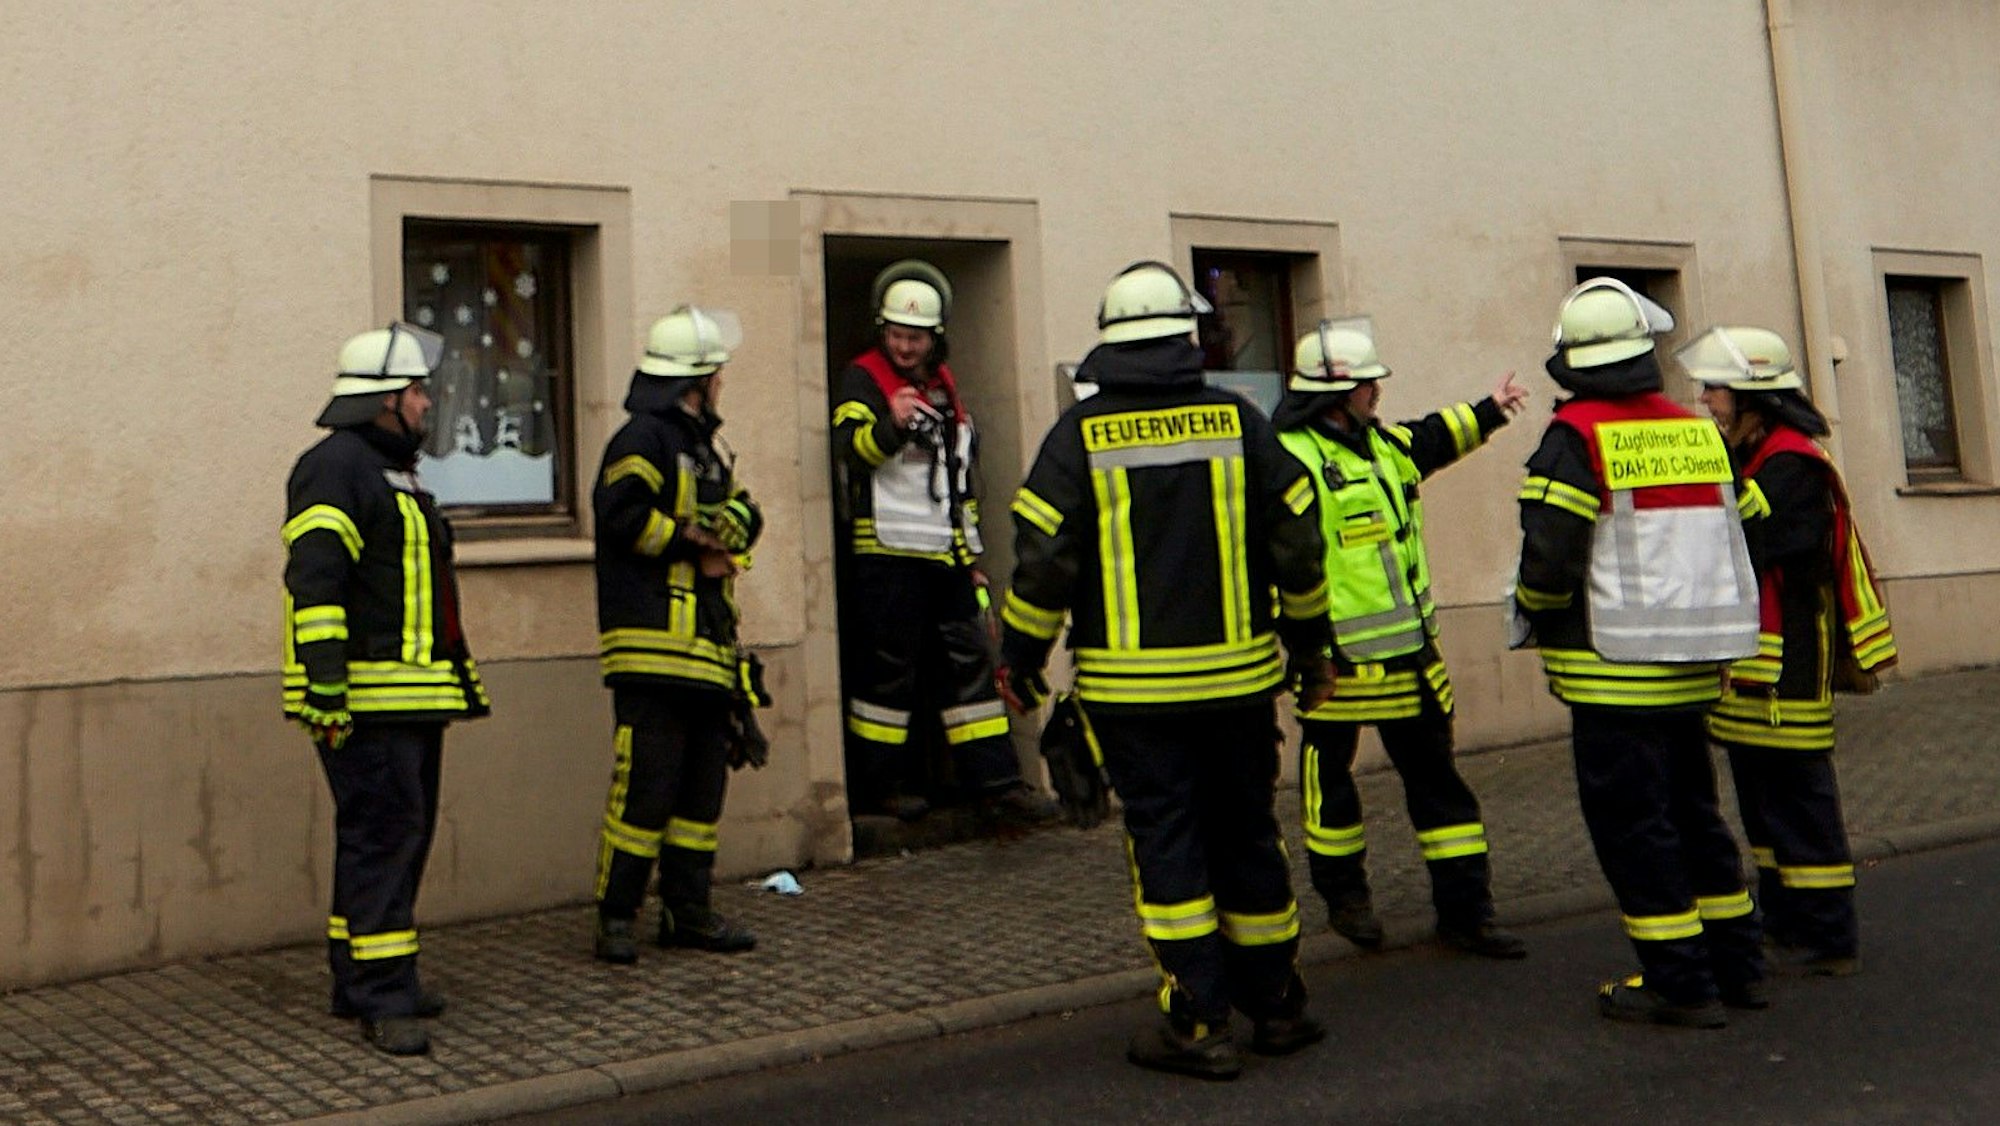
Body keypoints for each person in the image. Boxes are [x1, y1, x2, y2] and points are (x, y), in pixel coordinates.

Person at [997, 260, 1336, 1080]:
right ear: (1188, 339)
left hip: (1135, 698)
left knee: (1171, 849)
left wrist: (1020, 660)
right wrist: (1312, 647)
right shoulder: (1240, 421)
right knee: (1249, 834)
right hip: (1240, 685)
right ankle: (1278, 1006)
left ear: (1109, 343)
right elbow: (1298, 536)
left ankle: (1197, 1022)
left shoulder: (1078, 438)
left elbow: (1042, 561)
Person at [1510, 278, 1765, 1029]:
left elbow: (1551, 562)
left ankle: (1681, 985)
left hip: (1612, 673)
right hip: (1691, 671)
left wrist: (1536, 615)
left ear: (1573, 362)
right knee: (1698, 818)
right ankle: (1738, 967)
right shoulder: (1697, 432)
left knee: (1636, 830)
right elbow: (1747, 521)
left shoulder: (1575, 437)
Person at [1272, 317, 1529, 960]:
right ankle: (1346, 902)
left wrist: (1490, 411)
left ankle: (1468, 913)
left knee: (1439, 783)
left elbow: (1430, 439)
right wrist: (1307, 650)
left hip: (1412, 658)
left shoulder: (1381, 446)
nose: (1377, 395)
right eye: (1366, 385)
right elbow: (1275, 564)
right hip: (1339, 664)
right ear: (1334, 394)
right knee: (1331, 787)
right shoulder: (1288, 460)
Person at [283, 322, 491, 1056]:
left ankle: (366, 974)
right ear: (383, 400)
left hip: (408, 698)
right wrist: (329, 688)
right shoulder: (336, 468)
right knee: (384, 839)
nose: (428, 402)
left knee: (393, 837)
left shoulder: (388, 470)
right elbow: (316, 583)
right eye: (416, 391)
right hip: (367, 702)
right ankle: (381, 995)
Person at [1682, 325, 1897, 977]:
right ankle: (1784, 919)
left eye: (1714, 390)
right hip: (1751, 666)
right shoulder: (1752, 457)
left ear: (1753, 397)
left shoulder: (1791, 465)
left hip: (1790, 664)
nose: (1705, 402)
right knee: (1759, 801)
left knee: (1801, 799)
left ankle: (1831, 936)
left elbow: (1758, 544)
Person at [831, 260, 1039, 823]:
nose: (904, 346)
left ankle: (997, 785)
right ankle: (879, 790)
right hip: (887, 554)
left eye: (915, 337)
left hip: (945, 556)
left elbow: (958, 478)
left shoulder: (944, 386)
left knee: (971, 664)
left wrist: (970, 557)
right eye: (896, 335)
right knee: (888, 676)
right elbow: (851, 454)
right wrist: (891, 423)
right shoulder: (863, 379)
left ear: (934, 339)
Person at [591, 306, 764, 964]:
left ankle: (688, 913)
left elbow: (747, 513)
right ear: (698, 379)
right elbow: (621, 515)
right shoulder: (640, 441)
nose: (722, 384)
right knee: (645, 790)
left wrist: (735, 526)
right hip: (653, 650)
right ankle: (615, 917)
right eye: (716, 374)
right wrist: (695, 540)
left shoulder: (705, 447)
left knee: (699, 798)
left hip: (708, 655)